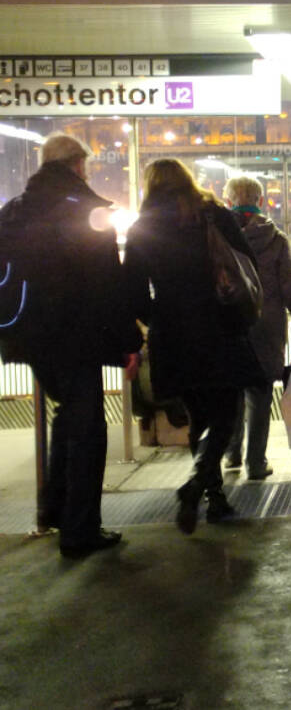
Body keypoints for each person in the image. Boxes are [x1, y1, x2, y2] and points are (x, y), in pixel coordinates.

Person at [0, 134, 141, 558]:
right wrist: (128, 341)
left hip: (28, 336)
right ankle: (80, 531)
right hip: (75, 336)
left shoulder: (14, 211)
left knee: (66, 418)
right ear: (78, 164)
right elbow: (107, 284)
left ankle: (56, 510)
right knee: (88, 431)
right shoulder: (87, 211)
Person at [124, 159, 266, 535]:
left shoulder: (142, 227)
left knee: (197, 416)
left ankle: (212, 495)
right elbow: (246, 264)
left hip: (172, 332)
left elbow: (133, 294)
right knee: (226, 414)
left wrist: (158, 318)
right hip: (219, 325)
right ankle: (198, 485)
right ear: (188, 180)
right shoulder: (212, 214)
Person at [222, 176, 291, 479]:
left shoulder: (216, 236)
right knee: (260, 394)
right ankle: (256, 462)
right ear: (262, 202)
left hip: (229, 325)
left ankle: (231, 455)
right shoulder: (275, 239)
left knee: (231, 392)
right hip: (265, 327)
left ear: (227, 202)